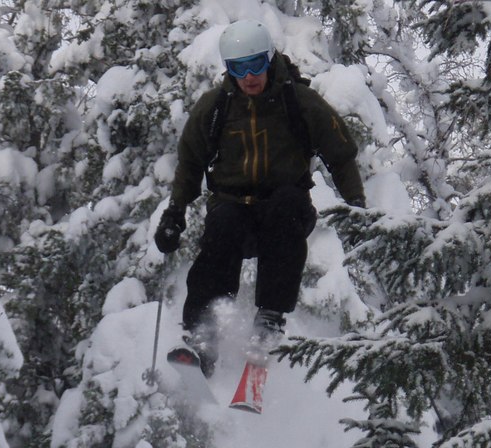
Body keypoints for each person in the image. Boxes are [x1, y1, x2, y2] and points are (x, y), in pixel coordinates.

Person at [154, 19, 365, 376]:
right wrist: (174, 213)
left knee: (285, 207)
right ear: (229, 69)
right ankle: (202, 339)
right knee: (221, 227)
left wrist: (357, 210)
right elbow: (190, 163)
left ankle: (269, 318)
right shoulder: (216, 108)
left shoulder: (299, 102)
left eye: (256, 64)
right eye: (239, 68)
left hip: (284, 206)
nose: (249, 76)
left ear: (269, 59)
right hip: (233, 205)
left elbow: (340, 154)